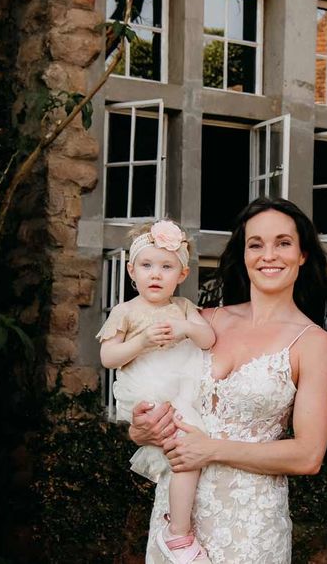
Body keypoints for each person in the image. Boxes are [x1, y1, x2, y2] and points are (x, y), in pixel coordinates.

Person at [129, 197, 327, 564]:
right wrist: (142, 429)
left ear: (303, 254)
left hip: (250, 524)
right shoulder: (203, 320)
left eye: (283, 243)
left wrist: (211, 449)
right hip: (176, 516)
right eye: (255, 244)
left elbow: (308, 455)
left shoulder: (314, 344)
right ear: (243, 254)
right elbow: (155, 392)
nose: (268, 255)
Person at [97, 220, 216, 564]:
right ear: (132, 271)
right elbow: (108, 356)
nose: (156, 274)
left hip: (183, 388)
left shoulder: (182, 308)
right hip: (152, 392)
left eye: (166, 267)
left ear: (181, 274)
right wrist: (142, 340)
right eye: (147, 266)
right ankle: (178, 533)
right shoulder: (126, 311)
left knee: (191, 452)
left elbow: (208, 339)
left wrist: (186, 328)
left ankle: (179, 527)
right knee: (185, 454)